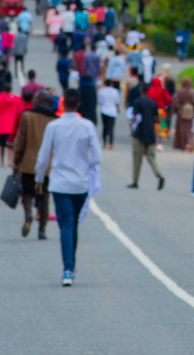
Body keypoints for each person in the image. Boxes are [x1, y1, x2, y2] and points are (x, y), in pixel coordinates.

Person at [34, 89, 102, 287]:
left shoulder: (53, 127)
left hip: (60, 183)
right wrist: (83, 165)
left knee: (66, 224)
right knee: (72, 223)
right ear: (79, 104)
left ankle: (67, 268)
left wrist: (39, 178)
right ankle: (71, 265)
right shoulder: (87, 126)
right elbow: (97, 157)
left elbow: (43, 155)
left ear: (62, 105)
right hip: (80, 183)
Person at [12, 90, 58, 239]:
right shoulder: (54, 121)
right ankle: (42, 229)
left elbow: (21, 141)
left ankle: (28, 214)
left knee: (27, 193)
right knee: (44, 197)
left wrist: (16, 160)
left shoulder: (27, 117)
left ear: (37, 102)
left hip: (28, 164)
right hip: (47, 168)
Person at [128, 84, 166, 190]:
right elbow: (157, 119)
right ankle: (160, 175)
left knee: (137, 160)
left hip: (139, 135)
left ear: (141, 90)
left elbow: (135, 118)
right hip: (150, 134)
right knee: (151, 158)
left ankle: (135, 181)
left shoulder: (137, 102)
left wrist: (131, 127)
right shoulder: (153, 103)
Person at [0, 82, 23, 166]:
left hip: (2, 124)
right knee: (11, 145)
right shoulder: (17, 98)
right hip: (12, 123)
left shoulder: (0, 97)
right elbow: (20, 110)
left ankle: (2, 161)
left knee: (2, 145)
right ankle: (11, 160)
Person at [171, 77, 194, 151]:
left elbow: (175, 102)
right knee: (189, 128)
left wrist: (178, 109)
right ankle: (189, 143)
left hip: (181, 112)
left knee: (181, 129)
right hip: (190, 113)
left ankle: (182, 144)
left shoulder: (179, 92)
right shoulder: (192, 92)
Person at [98, 79, 121, 149]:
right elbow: (116, 102)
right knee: (111, 128)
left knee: (105, 127)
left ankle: (105, 143)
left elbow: (100, 102)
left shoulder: (101, 91)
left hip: (104, 111)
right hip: (112, 111)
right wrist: (118, 109)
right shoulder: (115, 91)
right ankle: (111, 143)